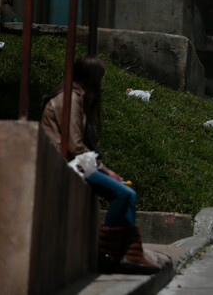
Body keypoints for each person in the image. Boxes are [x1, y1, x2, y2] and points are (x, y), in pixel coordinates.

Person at [41, 55, 159, 274]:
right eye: (101, 78)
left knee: (128, 193)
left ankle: (130, 254)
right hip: (69, 164)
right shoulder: (70, 99)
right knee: (125, 194)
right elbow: (75, 146)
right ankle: (107, 253)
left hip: (78, 162)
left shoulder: (77, 98)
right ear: (92, 78)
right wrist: (105, 171)